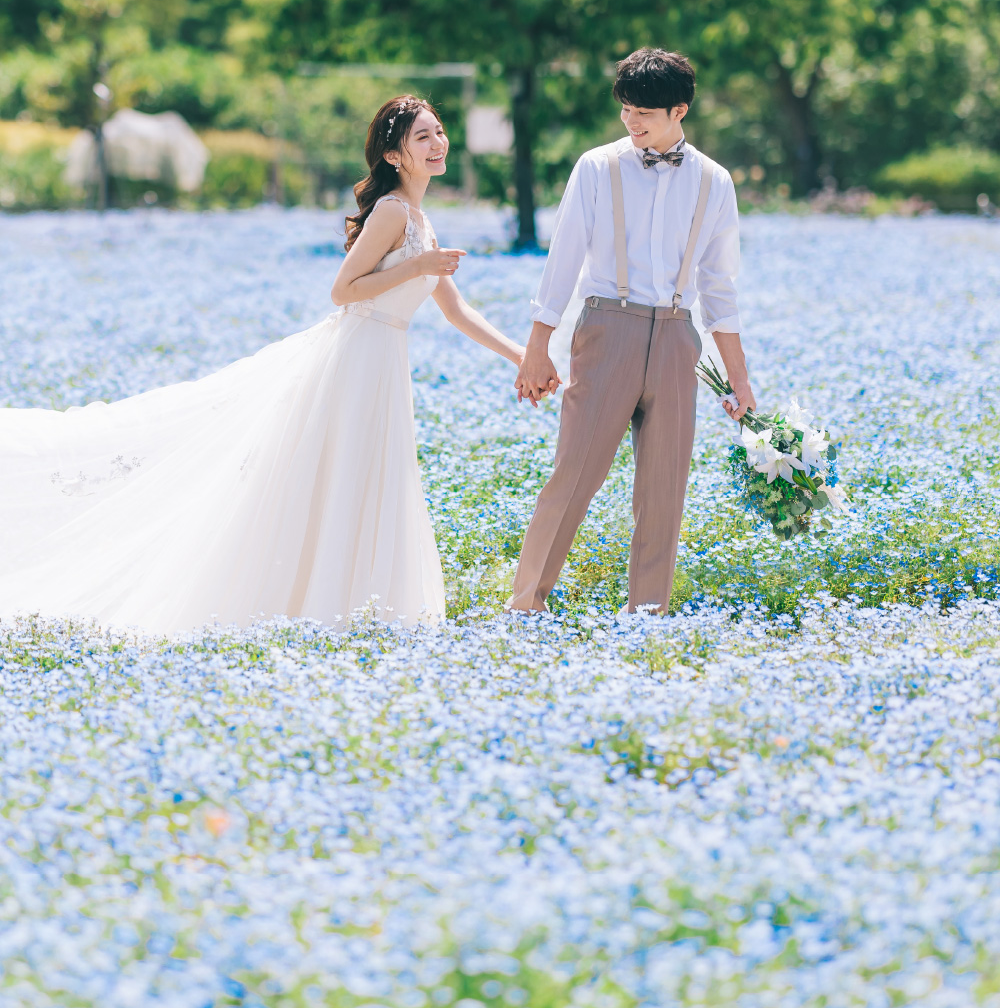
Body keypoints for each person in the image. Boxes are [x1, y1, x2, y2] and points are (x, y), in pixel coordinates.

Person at [0, 96, 525, 633]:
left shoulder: (421, 218)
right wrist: (417, 264)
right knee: (336, 477)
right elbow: (343, 290)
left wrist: (524, 356)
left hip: (384, 363)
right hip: (355, 360)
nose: (438, 144)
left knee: (368, 476)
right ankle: (321, 609)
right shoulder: (392, 211)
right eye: (422, 137)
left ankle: (359, 609)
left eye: (438, 133)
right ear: (394, 156)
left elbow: (457, 310)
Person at [507, 48, 755, 616]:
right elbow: (562, 261)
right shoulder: (597, 167)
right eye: (626, 108)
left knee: (664, 492)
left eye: (645, 111)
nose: (632, 120)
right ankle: (525, 607)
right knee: (573, 474)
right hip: (606, 330)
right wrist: (537, 348)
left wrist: (739, 382)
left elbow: (720, 288)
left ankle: (648, 615)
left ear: (680, 110)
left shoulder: (715, 182)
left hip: (676, 338)